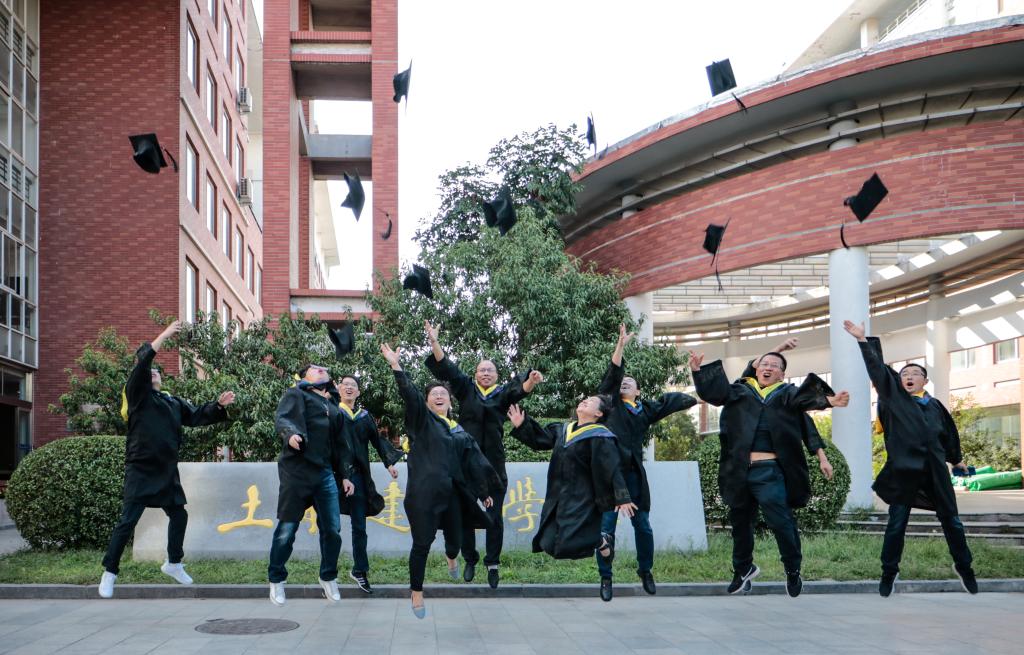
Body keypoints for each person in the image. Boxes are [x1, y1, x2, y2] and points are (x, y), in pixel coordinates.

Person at [689, 347, 846, 597]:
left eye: (774, 365)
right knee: (740, 524)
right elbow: (716, 394)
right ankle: (743, 569)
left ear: (782, 374)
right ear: (756, 368)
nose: (768, 367)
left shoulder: (787, 395)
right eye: (764, 363)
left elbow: (806, 413)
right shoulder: (741, 390)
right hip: (740, 470)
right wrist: (698, 372)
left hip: (769, 472)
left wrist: (828, 402)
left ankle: (792, 569)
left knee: (781, 522)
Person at [99, 320, 235, 599]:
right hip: (141, 468)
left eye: (157, 371)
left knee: (179, 515)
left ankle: (173, 563)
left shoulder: (172, 402)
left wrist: (218, 406)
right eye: (149, 371)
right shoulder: (138, 397)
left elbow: (196, 415)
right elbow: (144, 362)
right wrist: (165, 335)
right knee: (128, 521)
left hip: (166, 470)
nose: (153, 373)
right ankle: (110, 572)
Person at [842, 320, 977, 596]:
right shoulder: (893, 399)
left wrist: (956, 460)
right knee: (897, 524)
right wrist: (862, 341)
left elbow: (949, 434)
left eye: (916, 373)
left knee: (952, 520)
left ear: (925, 381)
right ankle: (889, 572)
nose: (910, 376)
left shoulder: (935, 405)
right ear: (900, 380)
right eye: (905, 373)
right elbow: (878, 370)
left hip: (935, 471)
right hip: (904, 471)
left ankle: (964, 567)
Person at [380, 343, 501, 618]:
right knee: (421, 544)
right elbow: (410, 395)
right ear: (426, 403)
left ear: (450, 402)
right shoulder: (422, 422)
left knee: (455, 542)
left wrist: (483, 492)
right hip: (424, 495)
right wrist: (396, 366)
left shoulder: (460, 432)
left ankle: (451, 557)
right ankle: (416, 591)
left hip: (454, 494)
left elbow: (474, 463)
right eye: (433, 394)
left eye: (443, 394)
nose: (438, 396)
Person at [424, 320, 543, 588]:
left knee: (494, 517)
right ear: (475, 374)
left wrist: (531, 382)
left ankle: (493, 563)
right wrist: (434, 342)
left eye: (490, 370)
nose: (486, 373)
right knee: (466, 515)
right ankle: (470, 558)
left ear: (497, 375)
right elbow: (447, 368)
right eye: (481, 369)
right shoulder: (466, 389)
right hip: (465, 465)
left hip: (494, 467)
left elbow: (519, 390)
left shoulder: (501, 395)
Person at [594, 324, 697, 600]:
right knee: (606, 529)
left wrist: (695, 399)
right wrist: (620, 345)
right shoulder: (610, 405)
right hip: (609, 474)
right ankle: (606, 577)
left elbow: (668, 402)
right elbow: (612, 375)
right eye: (622, 381)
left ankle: (645, 570)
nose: (624, 382)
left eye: (630, 381)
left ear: (638, 391)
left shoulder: (644, 409)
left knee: (643, 526)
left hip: (634, 475)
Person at [507, 397, 637, 601]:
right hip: (558, 495)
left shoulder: (600, 436)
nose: (584, 401)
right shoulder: (563, 430)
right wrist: (522, 425)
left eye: (591, 401)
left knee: (572, 543)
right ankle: (601, 540)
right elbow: (541, 439)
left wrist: (622, 497)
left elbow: (611, 467)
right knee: (549, 543)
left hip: (583, 497)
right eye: (584, 399)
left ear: (599, 413)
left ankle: (601, 542)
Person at [268, 363, 354, 606]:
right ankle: (276, 578)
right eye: (315, 368)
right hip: (297, 472)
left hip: (324, 474)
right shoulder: (297, 393)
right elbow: (283, 418)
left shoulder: (332, 406)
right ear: (305, 376)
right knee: (287, 529)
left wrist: (345, 475)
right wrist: (290, 434)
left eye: (323, 368)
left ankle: (328, 576)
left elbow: (341, 443)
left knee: (332, 530)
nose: (321, 369)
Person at [335, 374, 403, 594]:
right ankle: (328, 573)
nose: (348, 388)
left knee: (359, 526)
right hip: (333, 475)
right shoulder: (333, 413)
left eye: (353, 385)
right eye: (345, 385)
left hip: (358, 477)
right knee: (330, 527)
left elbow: (377, 441)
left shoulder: (364, 417)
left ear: (358, 392)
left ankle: (360, 570)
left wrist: (389, 464)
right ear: (338, 389)